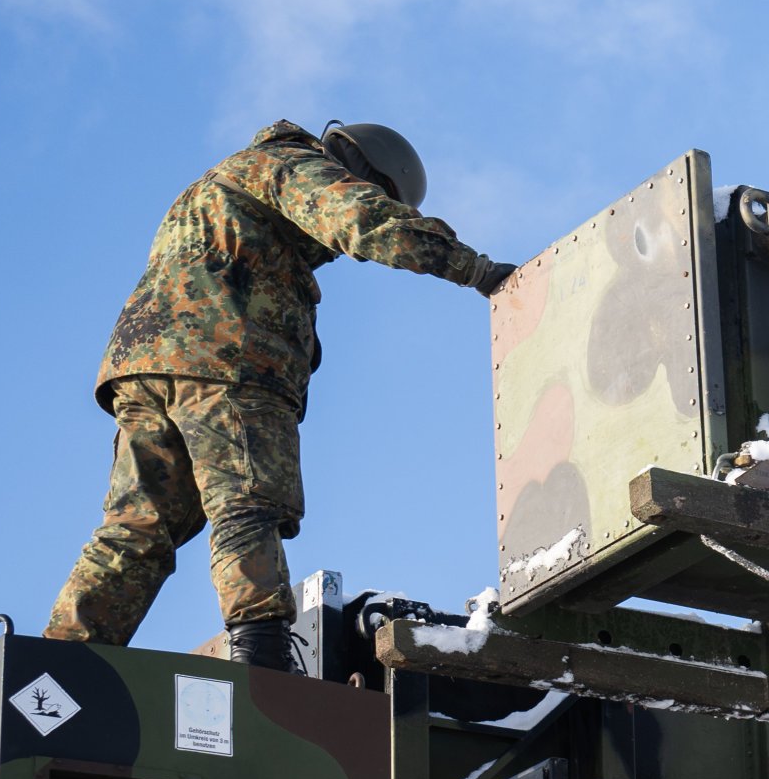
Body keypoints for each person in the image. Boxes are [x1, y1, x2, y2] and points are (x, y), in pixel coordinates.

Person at [42, 118, 520, 671]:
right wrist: (479, 271)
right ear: (361, 167)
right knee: (247, 501)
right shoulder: (293, 166)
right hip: (226, 359)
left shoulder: (224, 183)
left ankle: (59, 666)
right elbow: (362, 219)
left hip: (146, 369)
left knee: (137, 528)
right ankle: (261, 651)